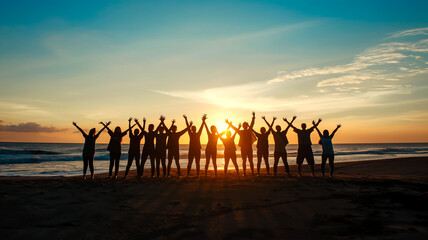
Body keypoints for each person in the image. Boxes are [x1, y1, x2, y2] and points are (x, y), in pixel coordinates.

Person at [225, 112, 256, 176]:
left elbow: (252, 124)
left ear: (246, 126)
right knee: (245, 161)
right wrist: (228, 123)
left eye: (245, 125)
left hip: (248, 148)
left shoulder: (247, 130)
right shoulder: (242, 132)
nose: (244, 126)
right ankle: (245, 173)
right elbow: (235, 129)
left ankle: (251, 173)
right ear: (243, 126)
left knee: (250, 161)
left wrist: (253, 117)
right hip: (244, 148)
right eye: (244, 125)